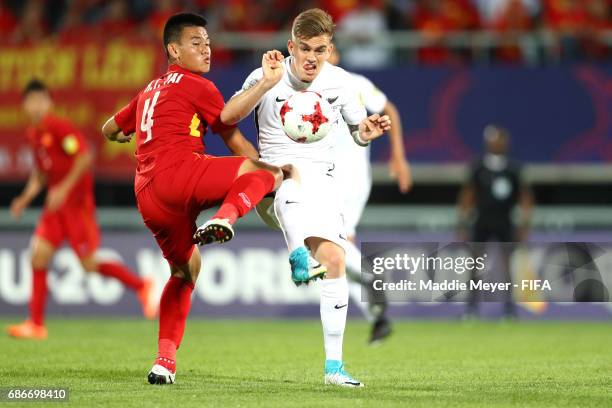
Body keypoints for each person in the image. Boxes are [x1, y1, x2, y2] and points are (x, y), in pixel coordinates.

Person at [101, 13, 287, 385]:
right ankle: (226, 218)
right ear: (173, 50)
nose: (207, 49)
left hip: (148, 195)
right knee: (268, 173)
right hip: (180, 174)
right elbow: (234, 139)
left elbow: (108, 128)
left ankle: (163, 363)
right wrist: (268, 174)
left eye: (208, 42)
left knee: (186, 272)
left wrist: (124, 136)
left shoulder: (148, 91)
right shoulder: (198, 85)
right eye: (196, 43)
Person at [221, 8, 392, 387]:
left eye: (320, 49)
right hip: (273, 187)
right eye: (304, 49)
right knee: (288, 173)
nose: (312, 58)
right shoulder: (266, 74)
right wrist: (264, 85)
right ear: (290, 47)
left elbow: (357, 132)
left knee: (334, 259)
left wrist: (368, 131)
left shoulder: (341, 83)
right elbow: (226, 117)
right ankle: (297, 255)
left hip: (323, 188)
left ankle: (334, 369)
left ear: (330, 49)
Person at [7, 79, 157, 341]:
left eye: (41, 100)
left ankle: (142, 286)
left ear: (49, 102)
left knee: (88, 265)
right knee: (38, 257)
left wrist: (64, 189)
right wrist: (24, 198)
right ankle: (36, 324)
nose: (36, 106)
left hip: (77, 208)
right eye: (31, 101)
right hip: (55, 210)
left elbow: (84, 156)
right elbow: (41, 175)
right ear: (25, 105)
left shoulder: (59, 127)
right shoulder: (33, 134)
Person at [327, 47, 412, 345]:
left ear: (334, 55)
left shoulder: (355, 83)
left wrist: (398, 156)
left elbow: (390, 110)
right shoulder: (311, 88)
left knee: (327, 244)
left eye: (327, 50)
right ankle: (378, 317)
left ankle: (368, 278)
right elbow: (390, 110)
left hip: (345, 179)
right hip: (341, 180)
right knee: (334, 254)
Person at [457, 125, 533, 318]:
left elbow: (525, 197)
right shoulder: (479, 167)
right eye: (493, 140)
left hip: (505, 221)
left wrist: (524, 223)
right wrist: (462, 222)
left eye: (500, 140)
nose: (497, 143)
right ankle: (471, 309)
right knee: (475, 265)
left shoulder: (513, 169)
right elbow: (468, 195)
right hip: (482, 220)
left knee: (507, 265)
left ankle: (509, 308)